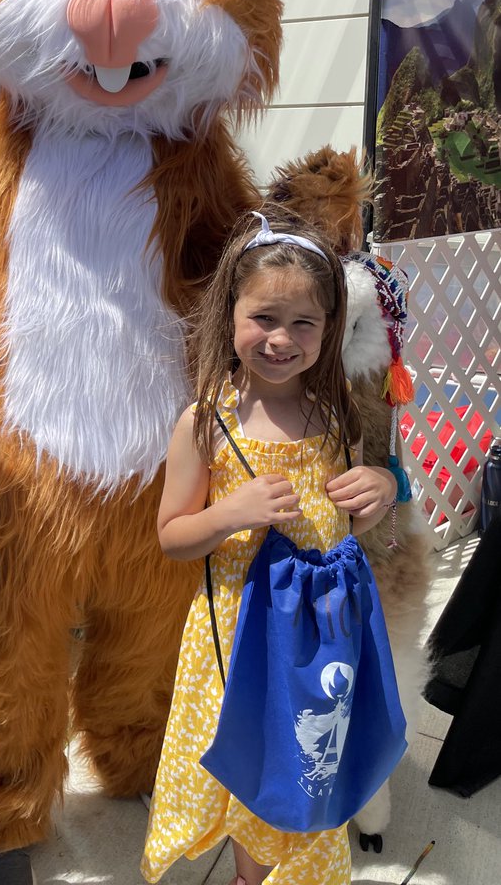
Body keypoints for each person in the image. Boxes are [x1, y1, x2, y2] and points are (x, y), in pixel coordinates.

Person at [141, 210, 398, 885]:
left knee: (310, 763)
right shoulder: (207, 421)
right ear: (229, 314)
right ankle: (252, 876)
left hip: (322, 635)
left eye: (303, 323)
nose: (281, 340)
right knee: (257, 766)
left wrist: (377, 487)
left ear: (329, 328)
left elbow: (340, 523)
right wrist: (231, 512)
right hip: (238, 637)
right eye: (264, 318)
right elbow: (172, 536)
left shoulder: (336, 406)